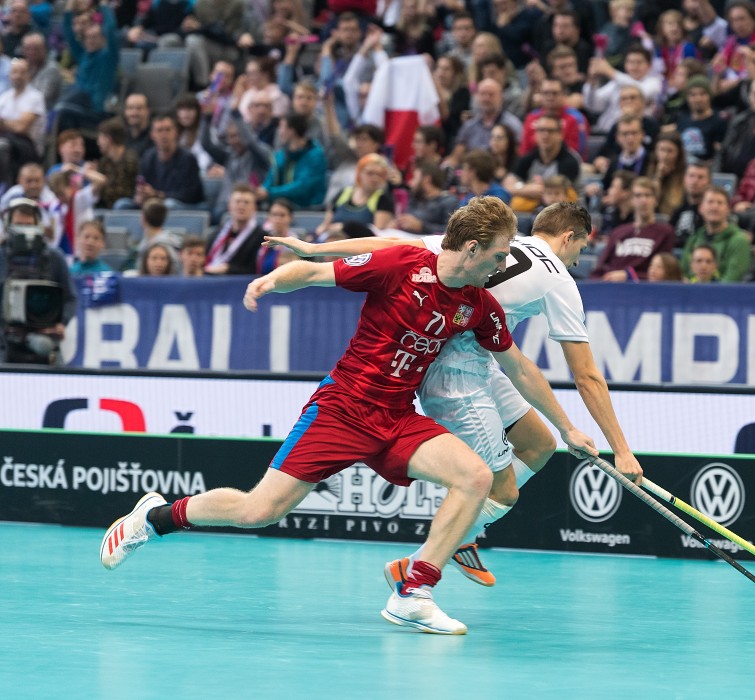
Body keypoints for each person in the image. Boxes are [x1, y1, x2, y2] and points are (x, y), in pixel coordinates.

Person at [100, 197, 599, 636]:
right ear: (470, 248)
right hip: (342, 409)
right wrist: (273, 279)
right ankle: (155, 517)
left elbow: (521, 368)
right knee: (261, 510)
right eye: (496, 255)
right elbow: (315, 272)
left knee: (473, 476)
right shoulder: (405, 265)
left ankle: (413, 595)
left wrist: (567, 427)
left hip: (398, 416)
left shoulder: (478, 303)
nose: (500, 265)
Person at [263, 201, 643, 586]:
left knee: (539, 444)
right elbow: (587, 376)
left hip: (482, 362)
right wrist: (622, 450)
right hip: (454, 376)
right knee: (501, 490)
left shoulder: (494, 243)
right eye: (580, 250)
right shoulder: (558, 279)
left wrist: (316, 248)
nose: (578, 261)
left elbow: (392, 244)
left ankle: (463, 528)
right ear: (568, 237)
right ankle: (434, 552)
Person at [0, 198, 77, 364]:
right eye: (19, 224)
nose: (24, 230)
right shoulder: (1, 257)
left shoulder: (55, 258)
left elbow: (70, 298)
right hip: (4, 341)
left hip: (45, 338)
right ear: (7, 225)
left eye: (29, 225)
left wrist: (61, 323)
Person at [590, 177, 675, 281]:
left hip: (644, 288)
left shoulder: (665, 232)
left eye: (647, 195)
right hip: (612, 286)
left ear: (655, 200)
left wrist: (629, 276)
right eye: (638, 195)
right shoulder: (618, 232)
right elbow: (600, 268)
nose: (643, 200)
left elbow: (664, 273)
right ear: (632, 200)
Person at [680, 186, 752, 282]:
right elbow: (682, 273)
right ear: (701, 208)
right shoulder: (694, 239)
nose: (714, 207)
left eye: (720, 203)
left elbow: (732, 280)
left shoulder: (739, 241)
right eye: (710, 202)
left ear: (728, 209)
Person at [205, 185, 266, 275]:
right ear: (229, 206)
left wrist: (228, 269)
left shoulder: (262, 238)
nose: (241, 206)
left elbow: (257, 270)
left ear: (254, 208)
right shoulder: (216, 234)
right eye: (237, 202)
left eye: (246, 202)